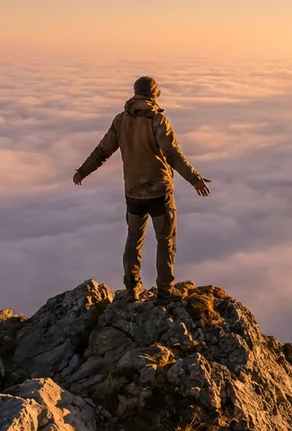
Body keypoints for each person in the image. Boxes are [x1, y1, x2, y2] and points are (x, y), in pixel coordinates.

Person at [73, 76, 210, 303]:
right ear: (155, 95)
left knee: (134, 239)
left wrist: (82, 172)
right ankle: (165, 293)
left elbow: (102, 151)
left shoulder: (121, 120)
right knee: (165, 241)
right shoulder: (157, 120)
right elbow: (173, 155)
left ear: (136, 93)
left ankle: (132, 288)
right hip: (159, 192)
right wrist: (195, 179)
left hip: (133, 192)